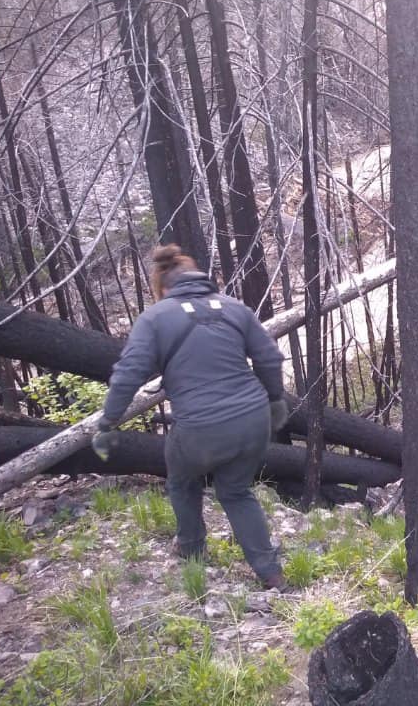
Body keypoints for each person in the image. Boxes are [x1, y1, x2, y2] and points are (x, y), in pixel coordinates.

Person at [92, 245, 289, 589]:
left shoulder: (155, 318)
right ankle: (270, 573)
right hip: (253, 419)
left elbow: (127, 375)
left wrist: (108, 422)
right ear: (197, 277)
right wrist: (275, 400)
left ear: (163, 287)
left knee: (182, 482)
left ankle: (193, 551)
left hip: (199, 428)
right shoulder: (234, 308)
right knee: (237, 491)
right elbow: (269, 359)